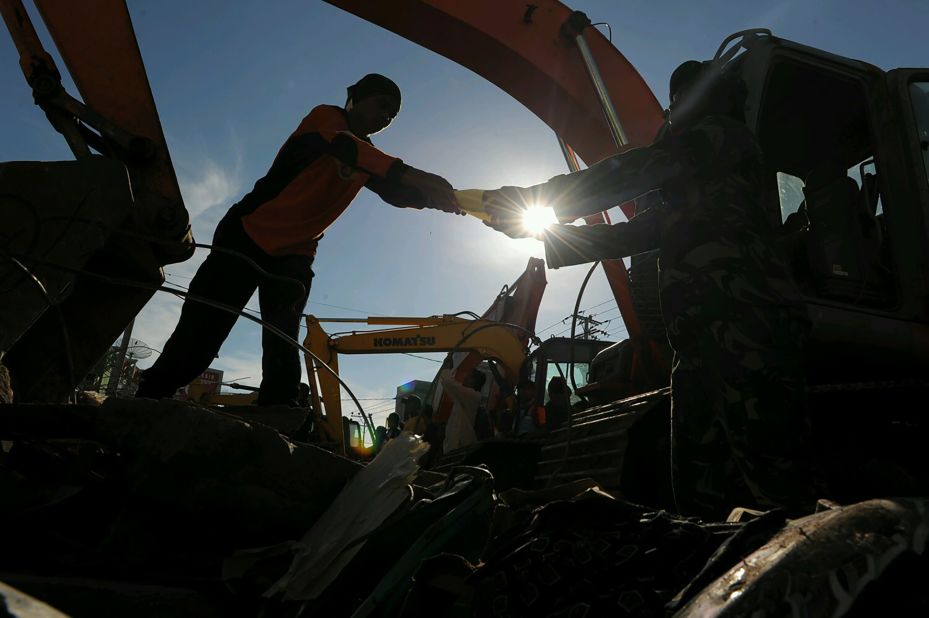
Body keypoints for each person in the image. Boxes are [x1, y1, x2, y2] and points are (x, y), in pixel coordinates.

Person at [484, 60, 816, 517]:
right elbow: (637, 233)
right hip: (699, 337)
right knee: (699, 489)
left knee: (774, 478)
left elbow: (636, 170)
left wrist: (531, 200)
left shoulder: (721, 136)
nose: (672, 110)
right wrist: (543, 233)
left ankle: (808, 570)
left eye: (679, 98)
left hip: (746, 321)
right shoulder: (699, 184)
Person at [136, 74, 461, 406]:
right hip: (249, 232)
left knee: (282, 334)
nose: (386, 117)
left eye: (392, 115)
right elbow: (348, 150)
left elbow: (394, 189)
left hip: (296, 252)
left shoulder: (369, 156)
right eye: (382, 105)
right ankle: (150, 393)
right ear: (356, 98)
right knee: (204, 329)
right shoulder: (326, 120)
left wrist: (450, 200)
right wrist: (422, 177)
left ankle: (279, 408)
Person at [439, 362, 485, 453]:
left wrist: (447, 366)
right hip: (454, 447)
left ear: (475, 381)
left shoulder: (472, 396)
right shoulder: (463, 398)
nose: (465, 378)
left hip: (460, 447)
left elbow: (448, 383)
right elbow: (448, 384)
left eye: (469, 376)